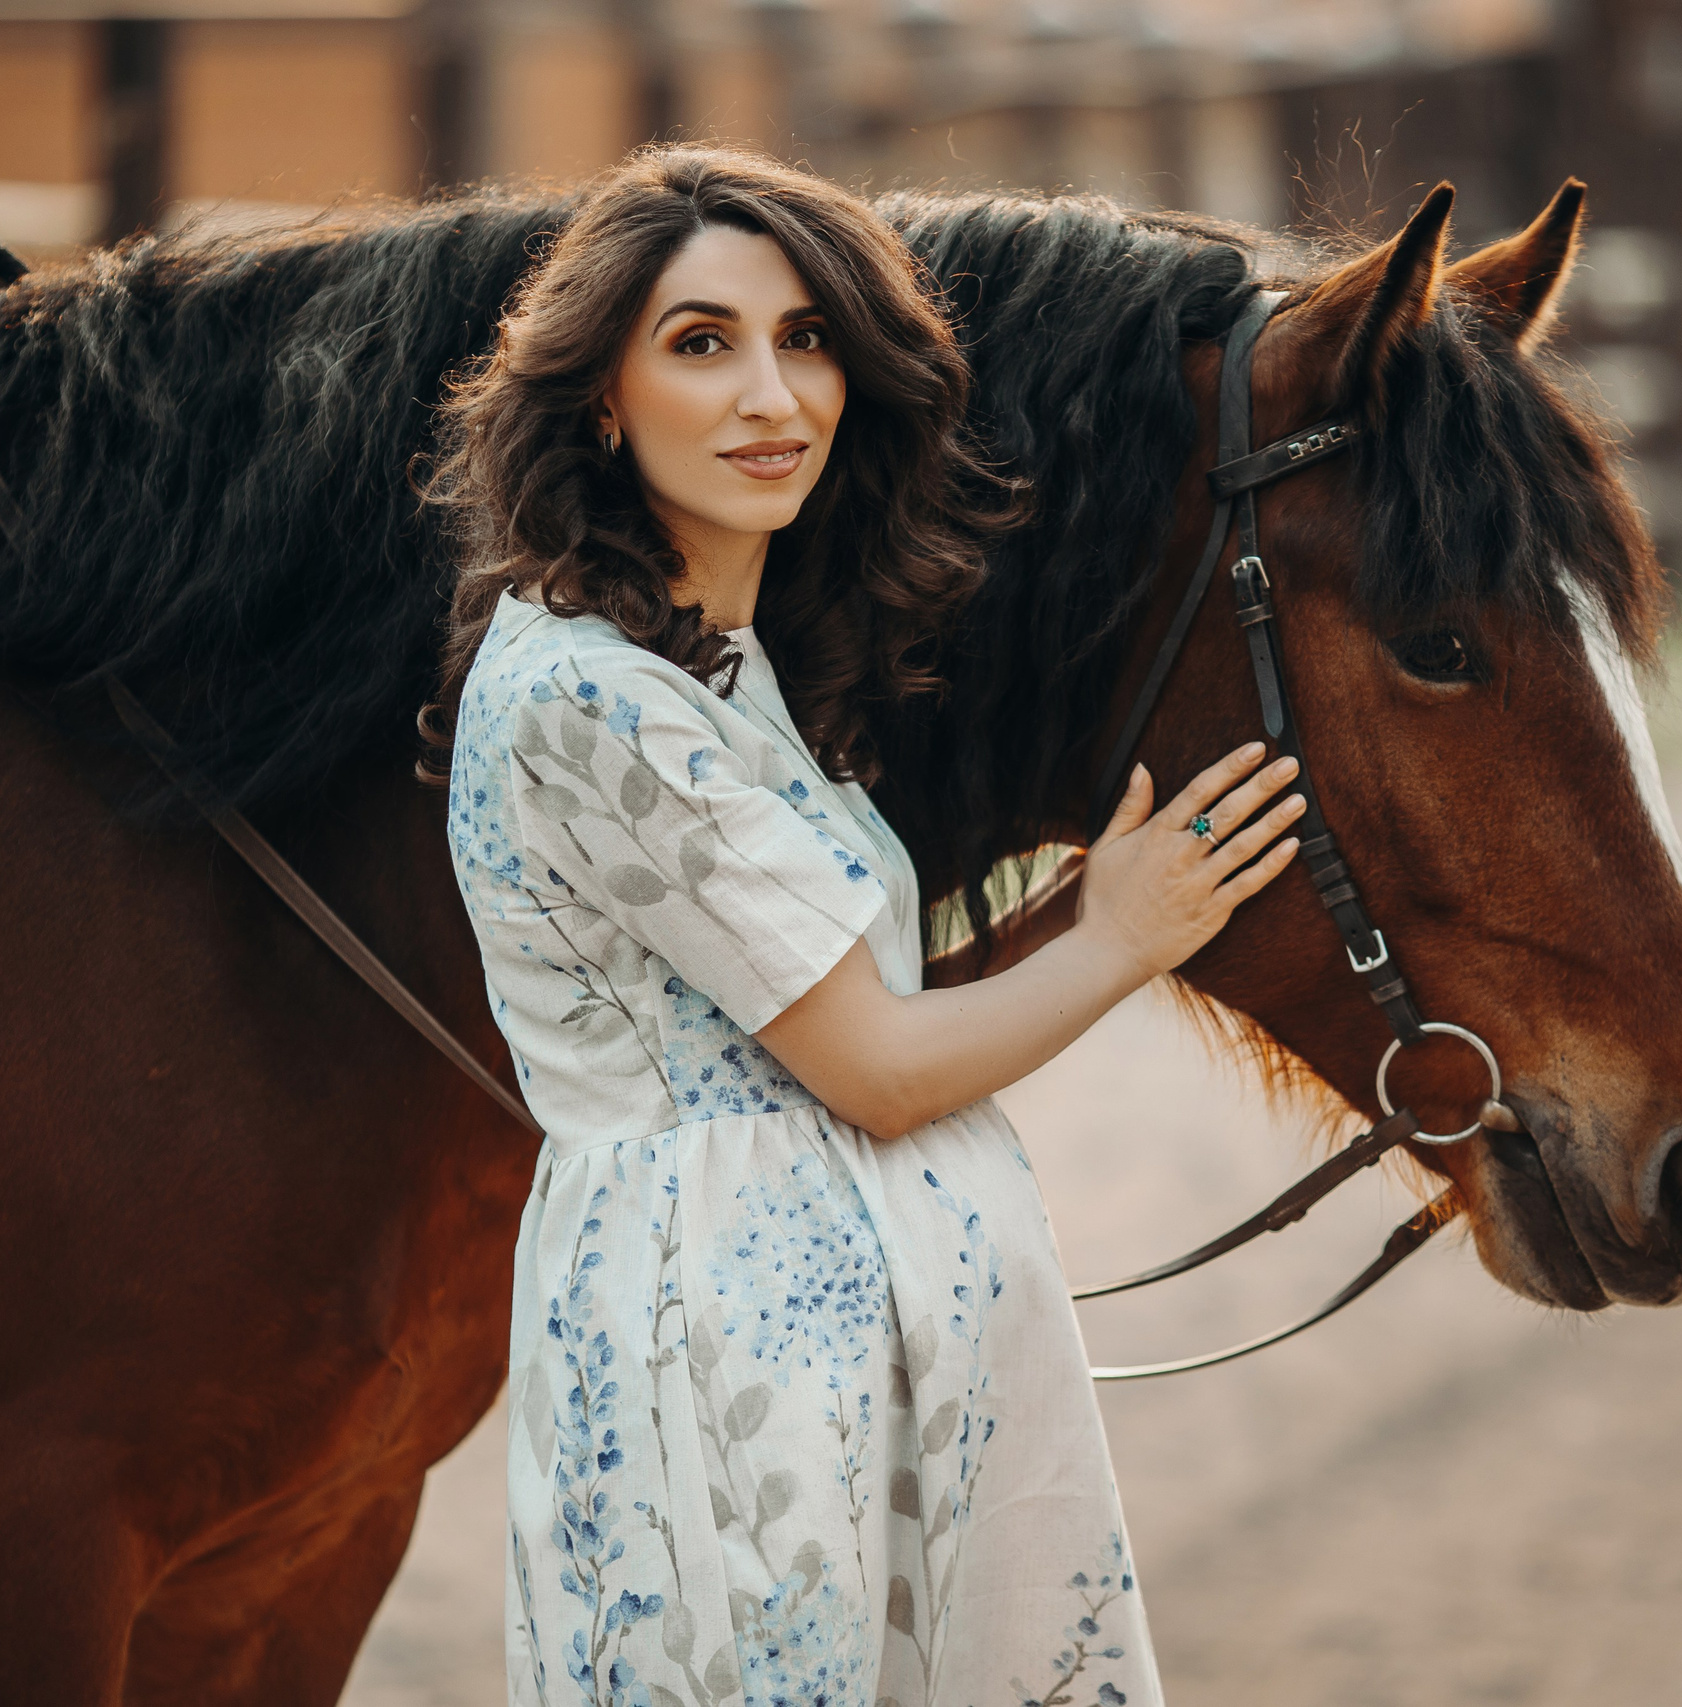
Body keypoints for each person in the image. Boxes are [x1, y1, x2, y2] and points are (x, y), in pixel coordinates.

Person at [430, 145, 1305, 1707]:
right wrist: (1120, 933)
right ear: (601, 398)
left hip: (838, 1353)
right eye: (702, 343)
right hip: (736, 1374)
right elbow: (880, 1069)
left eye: (807, 338)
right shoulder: (589, 697)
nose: (772, 395)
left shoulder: (719, 662)